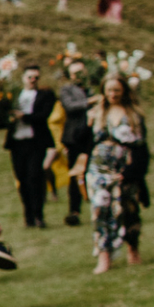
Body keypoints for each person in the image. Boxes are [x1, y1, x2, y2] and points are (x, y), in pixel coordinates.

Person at [84, 74, 147, 273]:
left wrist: (131, 172)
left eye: (117, 90)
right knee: (100, 210)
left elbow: (141, 147)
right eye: (109, 90)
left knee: (127, 209)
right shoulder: (98, 113)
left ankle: (132, 248)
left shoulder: (134, 115)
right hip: (99, 169)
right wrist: (88, 122)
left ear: (124, 91)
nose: (113, 94)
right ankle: (104, 256)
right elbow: (84, 141)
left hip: (124, 168)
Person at [5, 63, 58, 228]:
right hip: (17, 142)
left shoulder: (45, 95)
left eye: (36, 77)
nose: (33, 80)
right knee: (22, 179)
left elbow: (43, 116)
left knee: (35, 177)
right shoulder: (14, 95)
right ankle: (28, 215)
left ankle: (38, 215)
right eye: (30, 77)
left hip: (36, 142)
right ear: (23, 78)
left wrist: (24, 116)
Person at [56, 57, 95, 226]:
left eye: (81, 72)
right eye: (75, 73)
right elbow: (70, 106)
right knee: (75, 173)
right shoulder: (67, 89)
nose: (79, 75)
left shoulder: (92, 88)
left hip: (92, 135)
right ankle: (74, 210)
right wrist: (90, 101)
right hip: (75, 136)